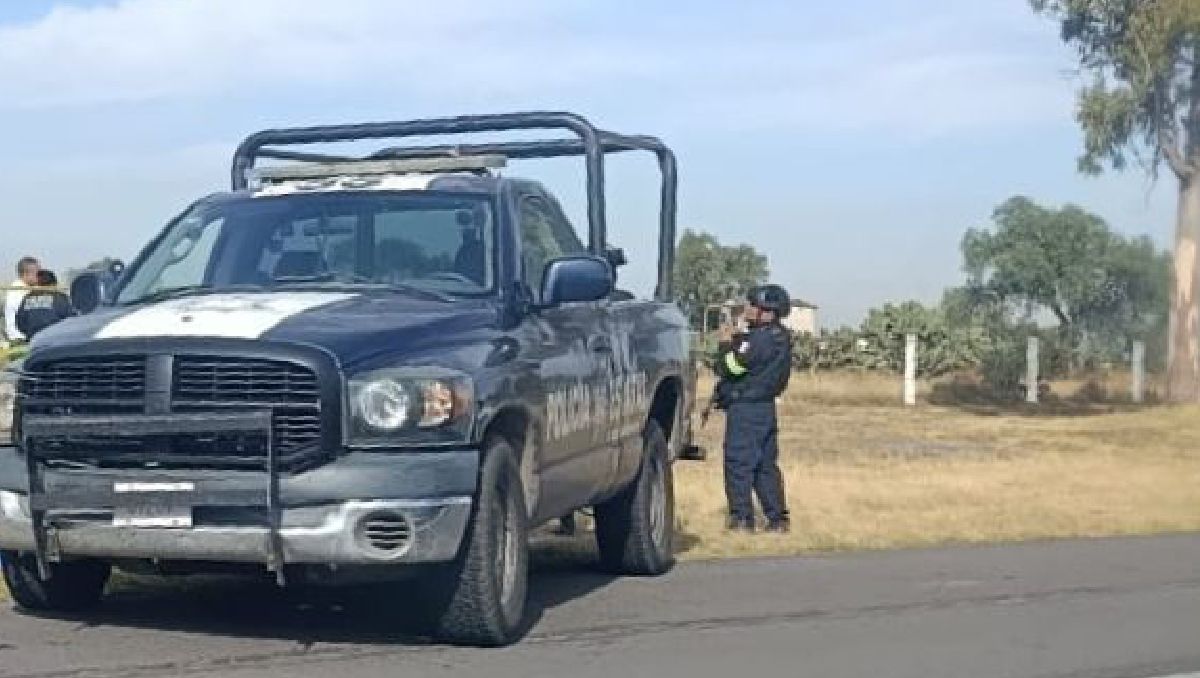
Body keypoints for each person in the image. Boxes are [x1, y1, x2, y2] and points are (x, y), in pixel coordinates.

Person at [713, 284, 794, 534]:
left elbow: (732, 368)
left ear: (767, 312)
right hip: (765, 408)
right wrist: (740, 340)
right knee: (765, 466)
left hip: (746, 410)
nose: (747, 309)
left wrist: (726, 344)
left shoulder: (759, 340)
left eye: (752, 306)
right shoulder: (779, 338)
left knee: (739, 463)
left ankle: (741, 520)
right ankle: (777, 519)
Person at [16, 269, 73, 340]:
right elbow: (71, 320)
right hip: (56, 340)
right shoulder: (60, 298)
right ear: (54, 284)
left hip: (34, 341)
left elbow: (20, 323)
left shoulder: (27, 298)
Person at [3, 257, 40, 343]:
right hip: (20, 339)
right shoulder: (16, 291)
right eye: (38, 273)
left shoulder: (33, 287)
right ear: (25, 274)